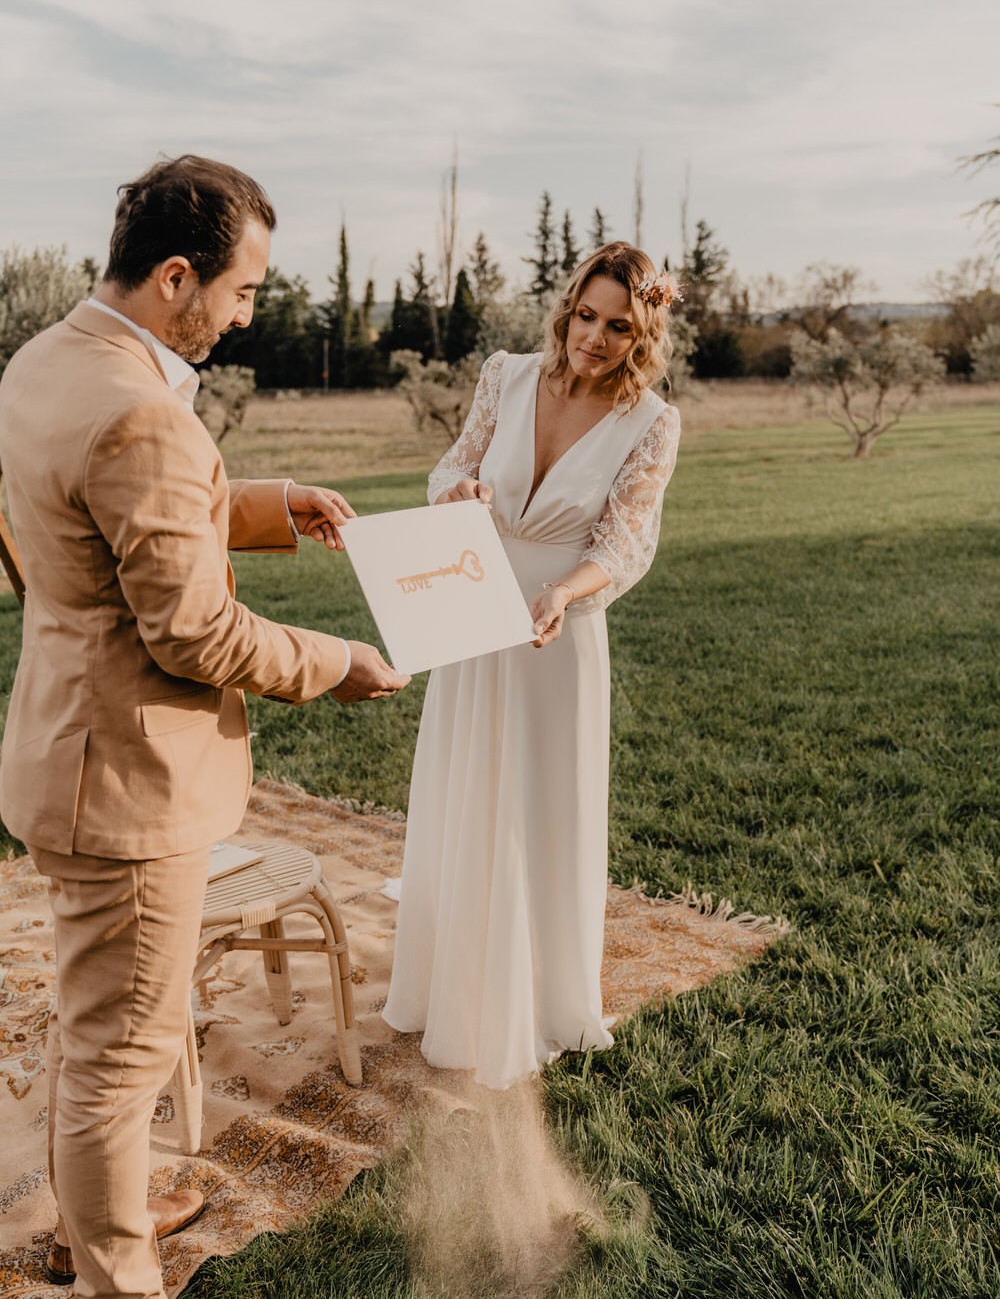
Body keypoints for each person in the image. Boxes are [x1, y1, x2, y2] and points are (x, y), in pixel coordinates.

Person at [0, 155, 409, 1299]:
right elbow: (193, 633)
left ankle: (115, 1207)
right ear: (176, 276)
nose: (243, 314)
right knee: (117, 1056)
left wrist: (266, 509)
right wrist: (336, 664)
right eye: (240, 291)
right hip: (124, 785)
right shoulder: (141, 411)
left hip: (61, 746)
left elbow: (101, 520)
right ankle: (115, 1277)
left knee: (112, 1026)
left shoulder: (47, 363)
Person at [383, 241, 682, 1089]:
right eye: (585, 315)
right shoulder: (505, 376)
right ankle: (450, 977)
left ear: (643, 334)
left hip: (557, 630)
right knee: (466, 789)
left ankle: (540, 995)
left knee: (539, 805)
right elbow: (452, 466)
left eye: (617, 326)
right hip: (474, 614)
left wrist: (563, 595)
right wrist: (461, 494)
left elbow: (624, 542)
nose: (593, 337)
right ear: (567, 308)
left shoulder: (652, 422)